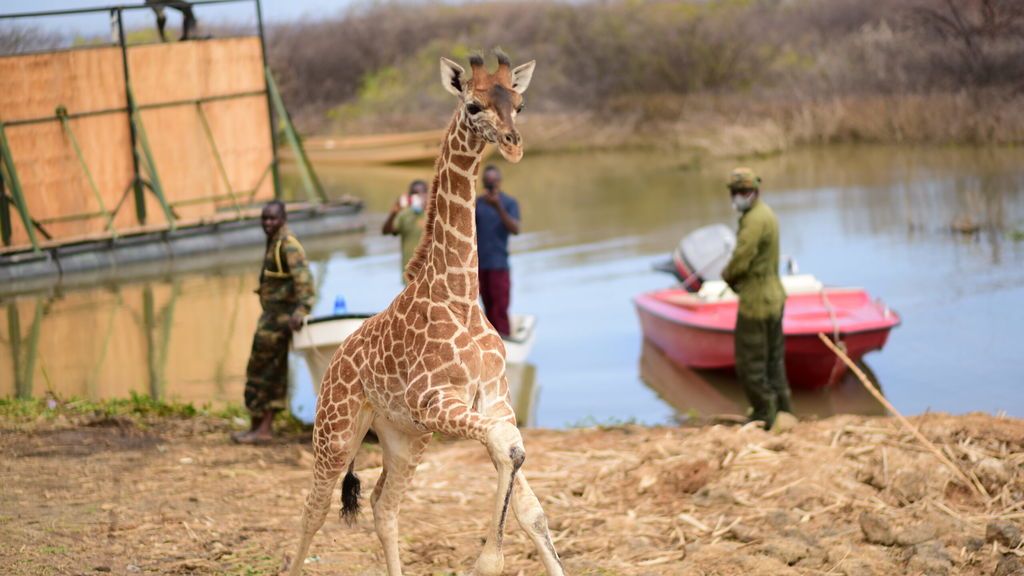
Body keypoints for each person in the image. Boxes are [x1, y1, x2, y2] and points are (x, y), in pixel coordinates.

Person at [232, 200, 314, 444]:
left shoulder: (288, 245)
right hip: (269, 318)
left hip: (280, 320)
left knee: (272, 372)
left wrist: (301, 311)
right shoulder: (275, 242)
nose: (268, 223)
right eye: (264, 219)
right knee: (257, 370)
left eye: (273, 219)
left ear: (283, 218)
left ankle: (265, 429)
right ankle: (255, 426)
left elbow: (306, 284)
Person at [720, 167, 793, 430]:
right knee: (774, 360)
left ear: (754, 191)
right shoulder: (767, 214)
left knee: (750, 364)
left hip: (756, 303)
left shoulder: (753, 220)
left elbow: (741, 258)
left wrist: (727, 276)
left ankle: (765, 415)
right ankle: (785, 411)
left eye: (743, 191)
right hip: (775, 298)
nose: (739, 196)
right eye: (736, 192)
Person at [476, 165, 520, 337]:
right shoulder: (477, 204)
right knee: (486, 307)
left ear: (500, 182)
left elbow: (515, 229)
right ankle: (490, 341)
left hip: (499, 263)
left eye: (494, 181)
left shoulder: (509, 203)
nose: (491, 185)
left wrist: (498, 207)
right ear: (482, 183)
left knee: (500, 307)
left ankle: (504, 340)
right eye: (488, 181)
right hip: (480, 265)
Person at [382, 179, 428, 284]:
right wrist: (393, 213)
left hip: (431, 272)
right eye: (414, 194)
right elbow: (386, 231)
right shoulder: (404, 214)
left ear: (427, 194)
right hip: (410, 273)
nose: (418, 197)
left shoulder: (435, 214)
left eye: (421, 193)